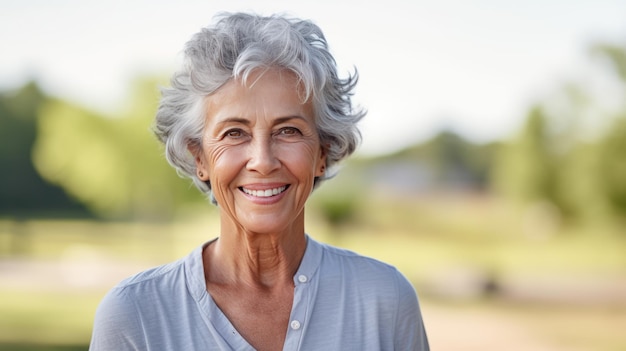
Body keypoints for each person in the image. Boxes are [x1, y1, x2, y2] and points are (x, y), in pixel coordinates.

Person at [89, 12, 429, 351]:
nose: (263, 161)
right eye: (234, 133)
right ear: (200, 158)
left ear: (322, 153)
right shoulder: (135, 316)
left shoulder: (386, 300)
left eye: (288, 131)